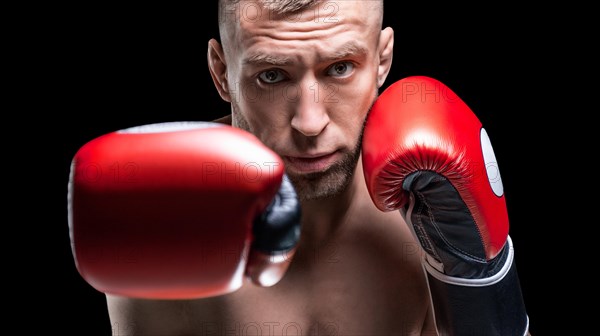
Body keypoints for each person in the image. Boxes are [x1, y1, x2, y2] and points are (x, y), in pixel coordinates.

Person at [69, 1, 531, 335]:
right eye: (272, 76)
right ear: (220, 71)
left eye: (340, 68)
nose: (309, 123)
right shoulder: (166, 212)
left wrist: (480, 284)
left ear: (383, 59)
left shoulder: (430, 205)